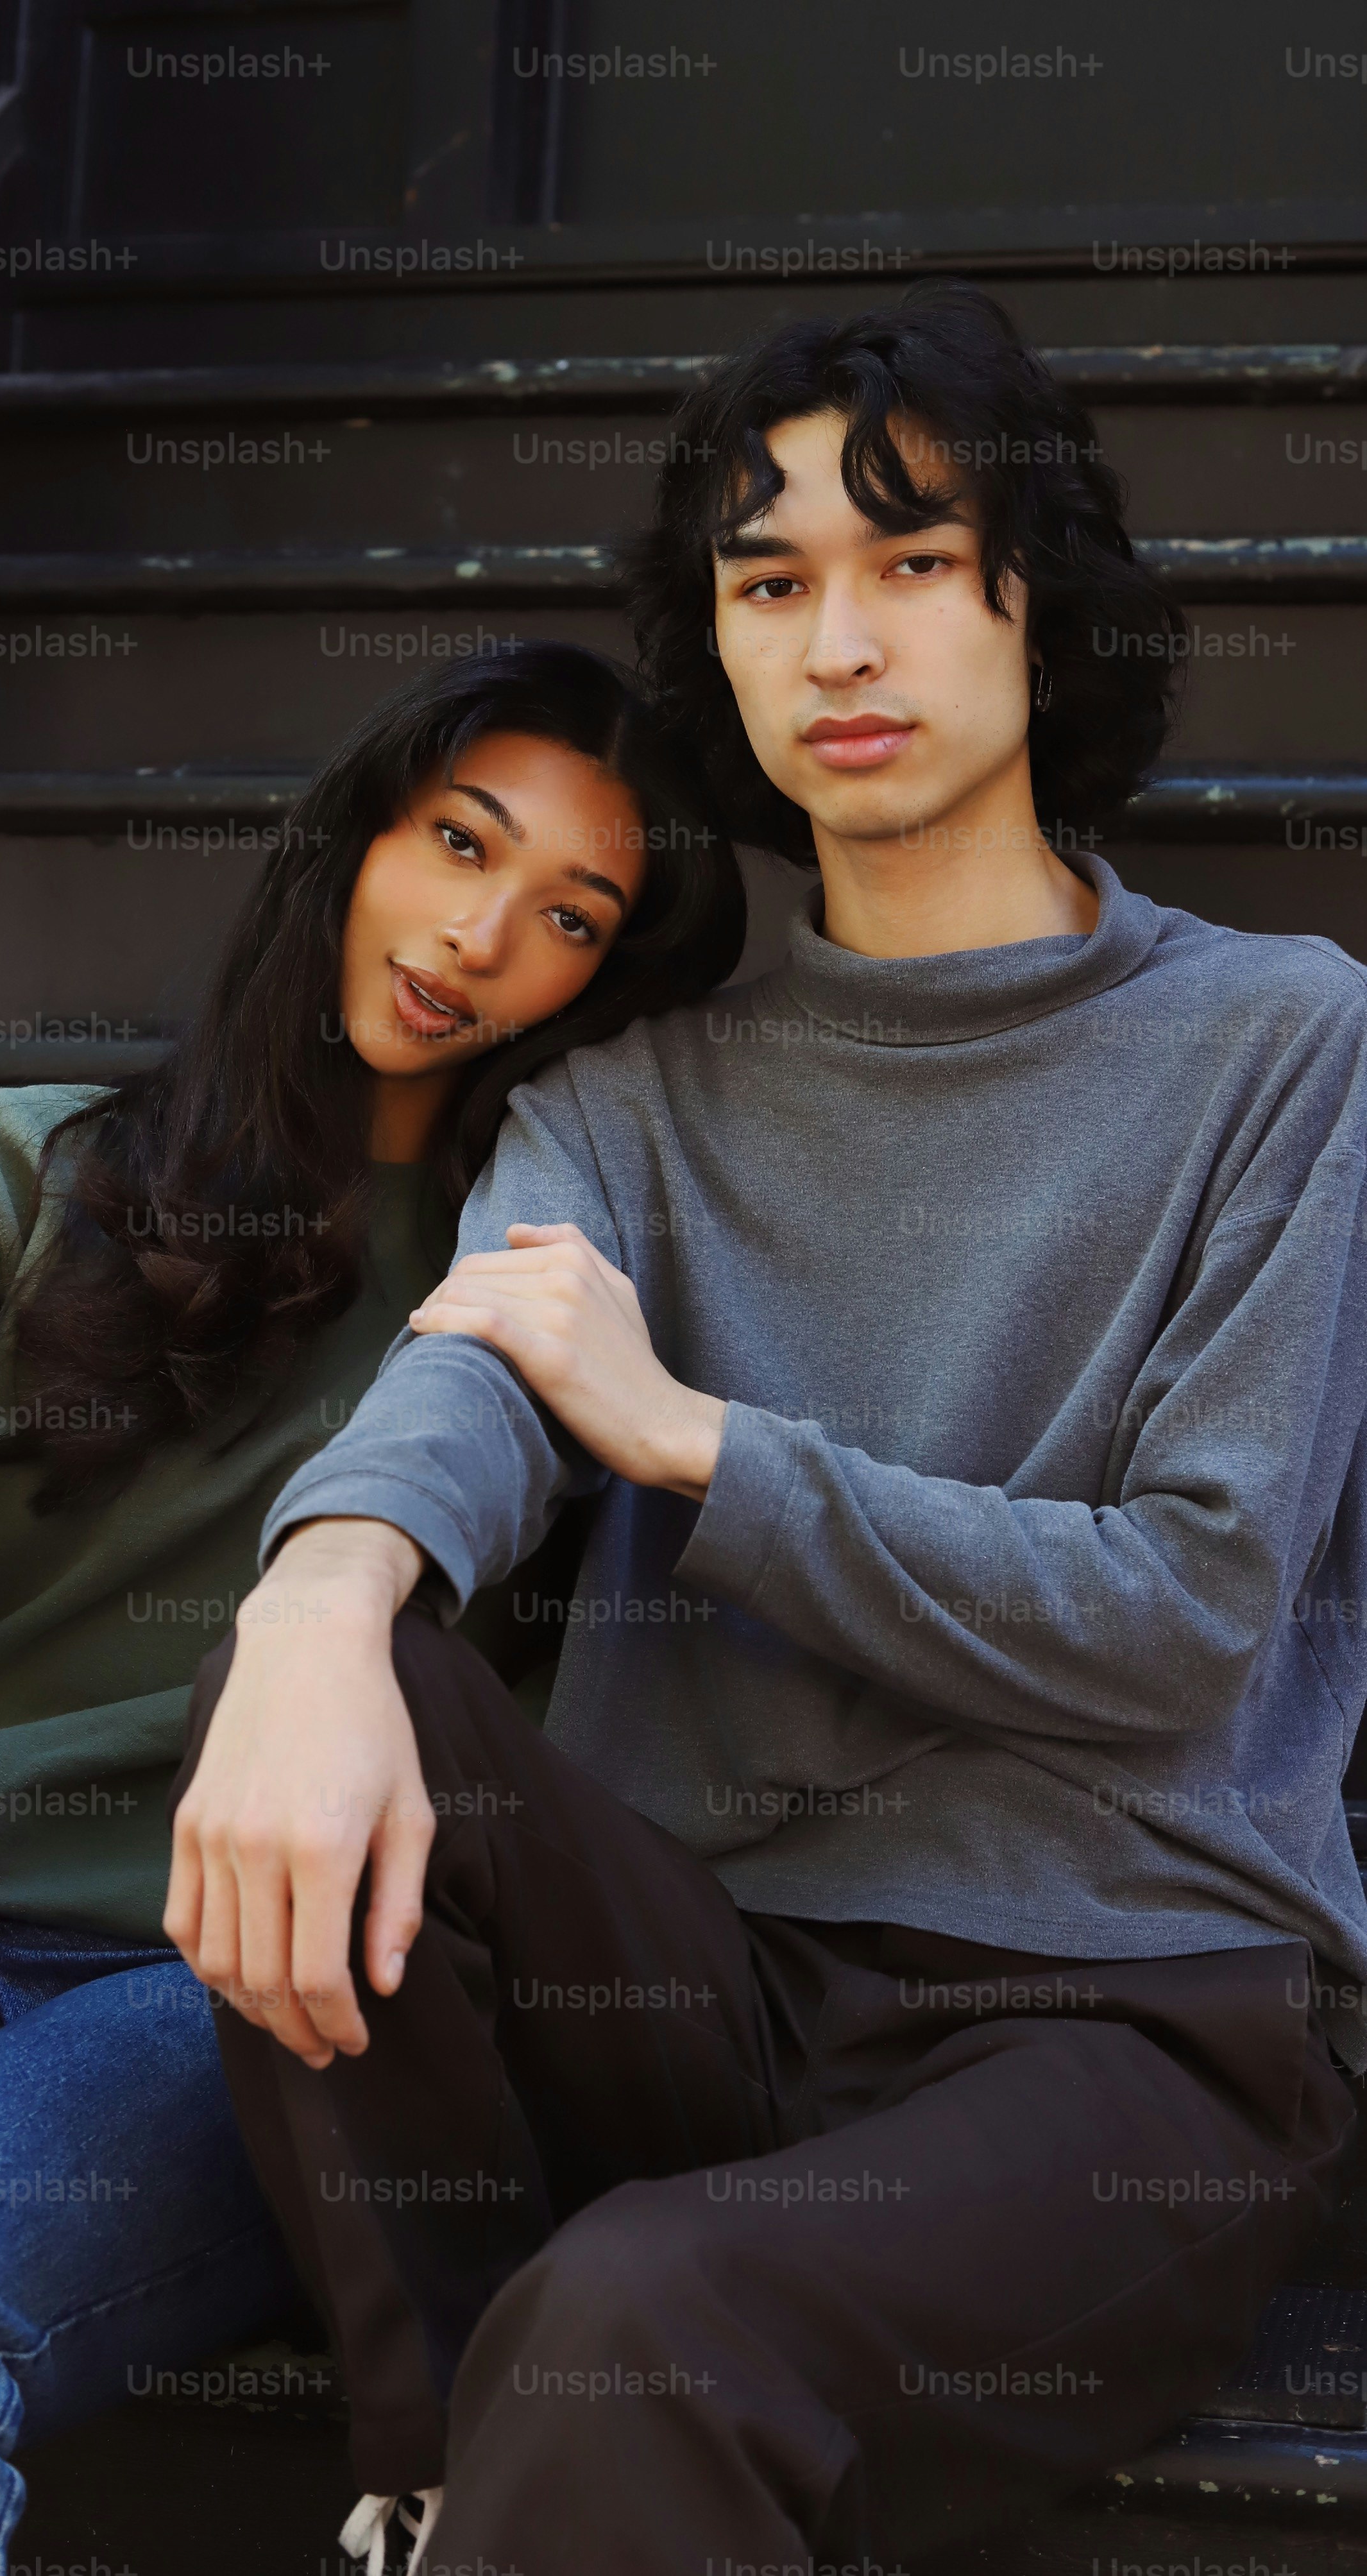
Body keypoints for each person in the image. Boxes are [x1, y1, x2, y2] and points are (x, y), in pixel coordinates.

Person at [170, 283, 1367, 2576]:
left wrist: (703, 1447)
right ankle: (428, 2485)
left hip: (1124, 2036)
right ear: (713, 648)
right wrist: (324, 1600)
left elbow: (1193, 1624)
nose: (842, 642)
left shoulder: (1282, 1049)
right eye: (772, 581)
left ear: (1044, 610)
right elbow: (471, 1392)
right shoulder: (634, 1100)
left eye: (914, 565)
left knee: (636, 2322)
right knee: (314, 1675)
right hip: (709, 1993)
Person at [0, 641, 744, 2573]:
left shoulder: (539, 1293)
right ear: (357, 838)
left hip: (220, 2005)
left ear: (605, 974)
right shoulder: (40, 1167)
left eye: (568, 914)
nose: (482, 935)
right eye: (457, 844)